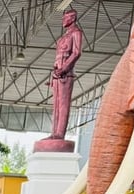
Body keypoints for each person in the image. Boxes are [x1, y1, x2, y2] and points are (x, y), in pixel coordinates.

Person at [49, 8, 83, 139]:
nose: (63, 20)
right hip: (57, 73)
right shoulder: (64, 37)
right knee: (56, 105)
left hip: (65, 74)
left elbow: (76, 53)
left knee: (63, 104)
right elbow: (58, 56)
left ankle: (60, 133)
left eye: (65, 18)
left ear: (72, 18)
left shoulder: (76, 33)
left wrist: (64, 68)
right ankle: (54, 133)